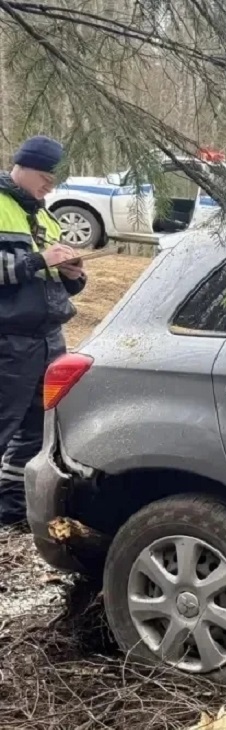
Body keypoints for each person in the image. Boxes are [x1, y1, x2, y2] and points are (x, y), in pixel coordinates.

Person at [0, 135, 85, 531]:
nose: (51, 184)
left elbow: (54, 282)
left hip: (49, 339)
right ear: (24, 166)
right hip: (8, 340)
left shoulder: (47, 217)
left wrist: (73, 274)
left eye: (55, 178)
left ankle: (11, 510)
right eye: (45, 175)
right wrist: (38, 259)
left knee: (37, 430)